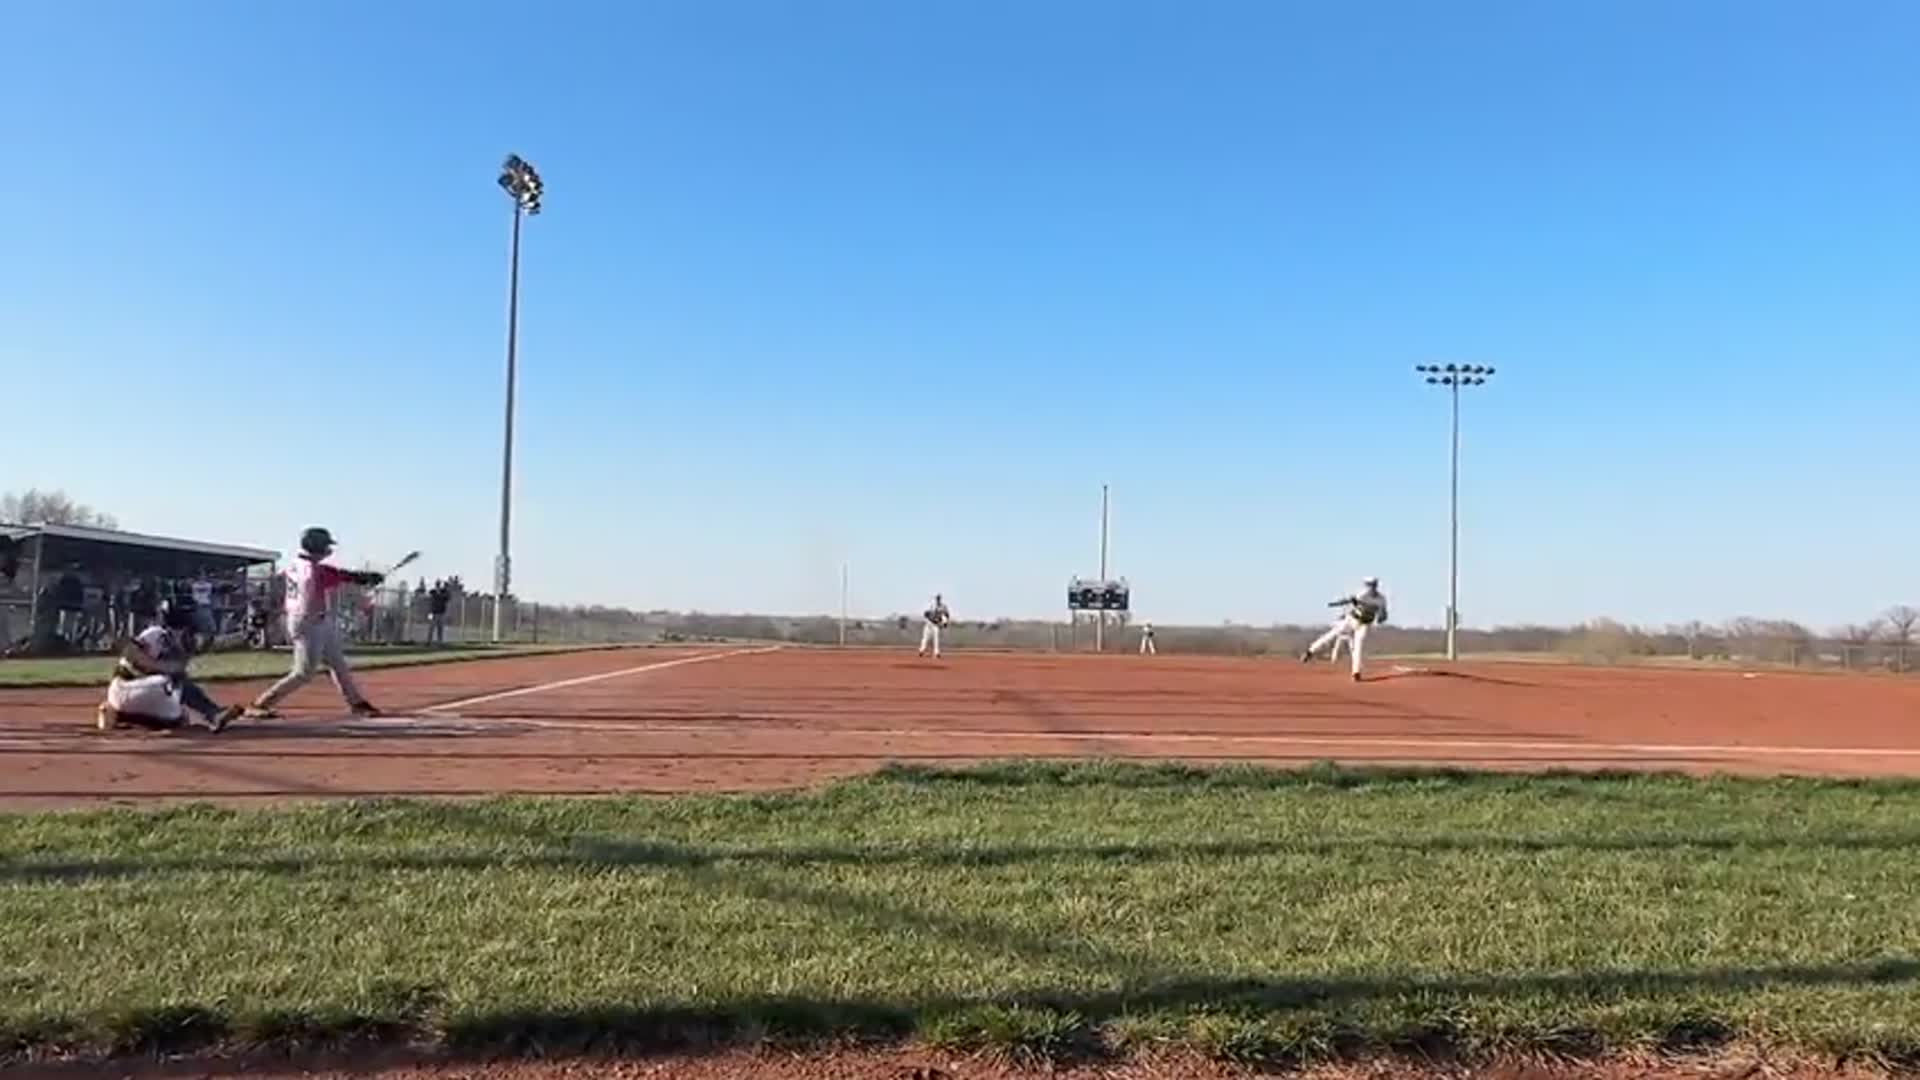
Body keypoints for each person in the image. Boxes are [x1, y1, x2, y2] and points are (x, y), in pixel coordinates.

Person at [244, 527, 387, 719]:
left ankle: (357, 703)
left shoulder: (297, 564)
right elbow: (328, 577)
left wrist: (359, 577)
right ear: (316, 546)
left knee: (338, 664)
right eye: (325, 546)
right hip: (308, 622)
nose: (329, 550)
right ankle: (260, 703)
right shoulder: (312, 571)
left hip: (317, 620)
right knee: (304, 672)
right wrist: (361, 579)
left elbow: (332, 574)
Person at [98, 599, 242, 732]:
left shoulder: (183, 640)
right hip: (126, 688)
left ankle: (119, 716)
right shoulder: (157, 633)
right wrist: (160, 667)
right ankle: (213, 714)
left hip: (140, 693)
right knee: (175, 680)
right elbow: (130, 651)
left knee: (179, 717)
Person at [1301, 576, 1389, 681]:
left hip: (1364, 624)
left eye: (1371, 585)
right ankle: (1310, 651)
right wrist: (1344, 602)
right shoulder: (1362, 594)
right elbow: (1351, 600)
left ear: (1375, 585)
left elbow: (1383, 613)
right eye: (1368, 585)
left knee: (1358, 646)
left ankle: (1356, 673)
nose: (1369, 587)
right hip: (1352, 620)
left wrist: (1381, 617)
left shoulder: (1381, 599)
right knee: (1332, 634)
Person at [918, 594, 950, 658]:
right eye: (937, 598)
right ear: (936, 599)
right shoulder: (932, 605)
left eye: (939, 598)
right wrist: (929, 615)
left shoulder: (943, 606)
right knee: (925, 638)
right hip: (929, 623)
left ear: (940, 599)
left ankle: (936, 653)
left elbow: (946, 615)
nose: (938, 600)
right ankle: (922, 650)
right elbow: (926, 613)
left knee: (936, 639)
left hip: (936, 625)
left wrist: (944, 622)